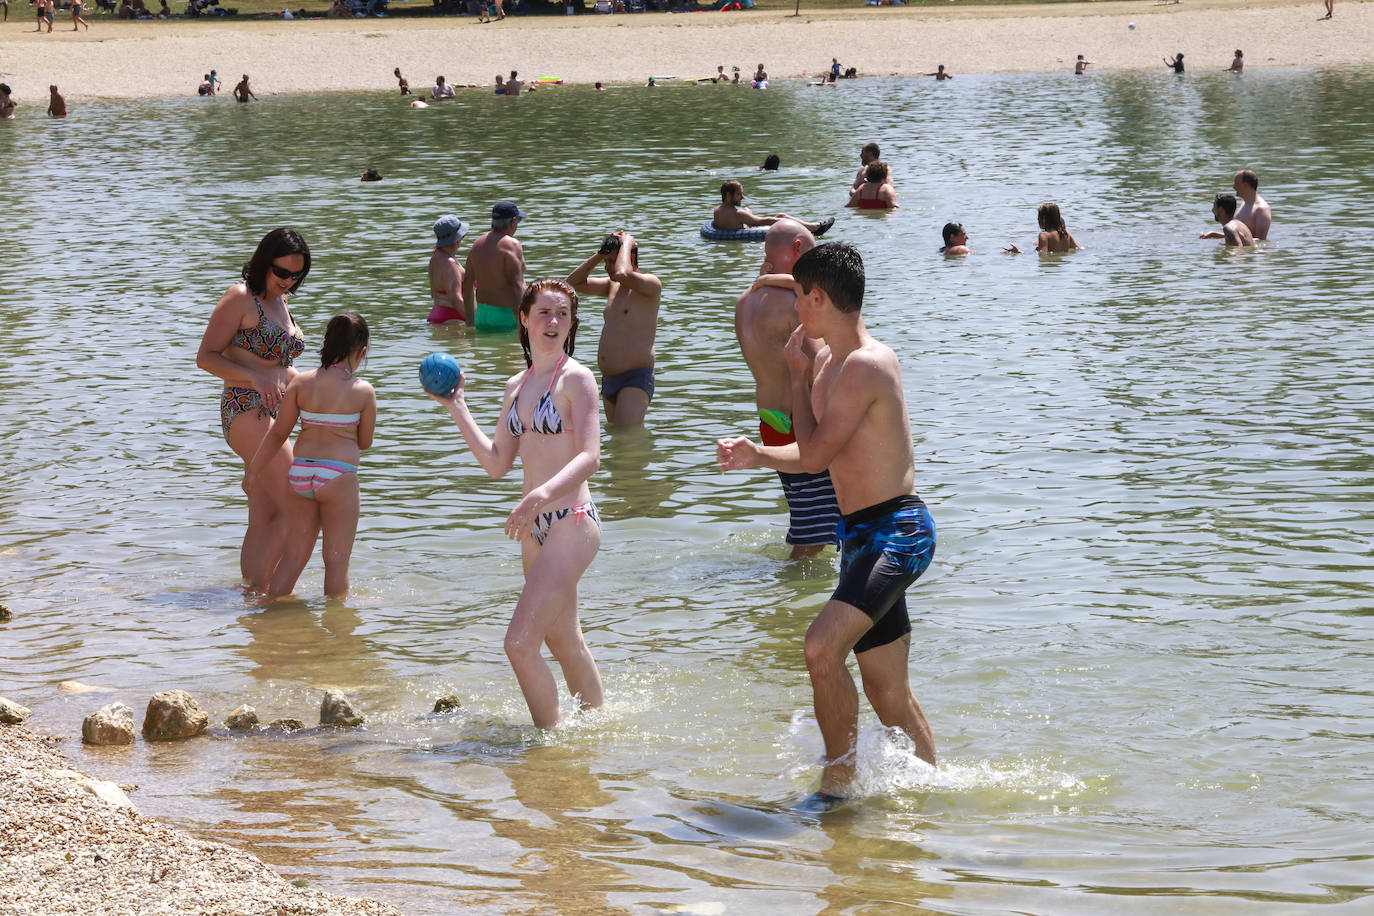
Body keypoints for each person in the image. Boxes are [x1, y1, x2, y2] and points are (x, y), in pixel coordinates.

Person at [782, 243, 938, 809]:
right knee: (886, 689)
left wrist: (791, 391)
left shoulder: (869, 363)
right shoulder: (828, 360)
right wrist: (763, 441)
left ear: (819, 299)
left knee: (820, 649)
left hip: (899, 530)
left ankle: (837, 786)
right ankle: (930, 795)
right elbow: (814, 450)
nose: (797, 310)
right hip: (860, 537)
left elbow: (817, 455)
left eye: (800, 298)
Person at [428, 278, 606, 730]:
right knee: (563, 638)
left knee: (519, 643)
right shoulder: (515, 385)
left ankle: (551, 745)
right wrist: (457, 406)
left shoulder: (577, 378)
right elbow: (496, 463)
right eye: (544, 313)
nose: (553, 322)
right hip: (534, 528)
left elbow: (590, 456)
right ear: (523, 319)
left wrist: (541, 495)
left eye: (562, 314)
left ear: (571, 323)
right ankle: (598, 725)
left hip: (572, 520)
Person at [716, 219, 841, 560]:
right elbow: (820, 366)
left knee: (806, 516)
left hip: (770, 419)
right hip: (800, 420)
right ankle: (792, 598)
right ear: (799, 248)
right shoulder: (794, 303)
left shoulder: (746, 300)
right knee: (813, 534)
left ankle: (795, 597)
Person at [196, 228, 310, 591]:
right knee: (298, 504)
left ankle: (249, 596)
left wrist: (317, 392)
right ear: (264, 263)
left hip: (275, 413)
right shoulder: (240, 297)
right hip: (246, 409)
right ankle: (267, 592)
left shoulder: (280, 300)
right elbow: (205, 357)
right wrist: (254, 380)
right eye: (282, 273)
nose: (289, 282)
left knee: (266, 512)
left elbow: (277, 365)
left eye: (297, 275)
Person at [246, 313, 376, 599]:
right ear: (361, 351)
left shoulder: (301, 383)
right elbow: (365, 442)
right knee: (336, 561)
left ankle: (268, 613)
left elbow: (278, 434)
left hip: (301, 474)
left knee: (293, 556)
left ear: (325, 343)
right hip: (338, 477)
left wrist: (252, 472)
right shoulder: (363, 391)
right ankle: (336, 633)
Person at [566, 232, 663, 427]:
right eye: (606, 261)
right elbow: (572, 283)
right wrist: (600, 253)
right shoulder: (611, 286)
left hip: (635, 378)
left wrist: (626, 241)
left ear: (631, 257)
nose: (606, 267)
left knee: (625, 439)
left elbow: (622, 273)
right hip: (609, 379)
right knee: (615, 441)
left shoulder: (650, 284)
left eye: (611, 261)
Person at [463, 200, 527, 332]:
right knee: (512, 352)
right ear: (513, 221)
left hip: (482, 316)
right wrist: (523, 324)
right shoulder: (512, 245)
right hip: (506, 317)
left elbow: (467, 283)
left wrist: (470, 319)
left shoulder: (477, 244)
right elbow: (516, 286)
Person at [712, 180, 834, 237]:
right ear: (728, 195)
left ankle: (814, 227)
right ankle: (815, 227)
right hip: (748, 234)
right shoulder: (738, 214)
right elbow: (764, 221)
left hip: (738, 230)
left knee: (749, 211)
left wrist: (746, 213)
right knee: (782, 215)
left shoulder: (716, 210)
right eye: (739, 194)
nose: (743, 197)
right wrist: (785, 222)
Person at [428, 214, 470, 326]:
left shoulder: (434, 258)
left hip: (438, 314)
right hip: (452, 319)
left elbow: (433, 293)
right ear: (456, 239)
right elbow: (456, 299)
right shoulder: (450, 264)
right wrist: (475, 322)